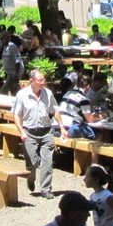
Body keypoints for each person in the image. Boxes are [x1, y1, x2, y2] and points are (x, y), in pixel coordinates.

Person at [11, 70, 68, 199]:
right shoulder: (22, 95)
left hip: (46, 131)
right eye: (40, 80)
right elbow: (16, 114)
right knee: (32, 163)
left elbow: (55, 110)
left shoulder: (48, 93)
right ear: (31, 81)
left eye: (44, 79)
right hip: (29, 132)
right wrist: (21, 131)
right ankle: (30, 178)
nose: (43, 82)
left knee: (47, 161)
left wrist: (61, 126)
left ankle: (46, 189)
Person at [57, 75, 105, 140]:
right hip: (70, 128)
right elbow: (90, 119)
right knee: (99, 132)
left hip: (57, 127)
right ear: (88, 86)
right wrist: (101, 116)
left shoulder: (68, 94)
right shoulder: (83, 99)